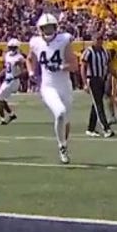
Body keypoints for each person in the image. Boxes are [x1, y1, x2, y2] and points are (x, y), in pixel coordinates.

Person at [27, 12, 80, 164]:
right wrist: (31, 72)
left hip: (65, 86)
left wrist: (62, 66)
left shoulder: (64, 40)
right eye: (46, 28)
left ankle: (64, 144)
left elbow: (74, 65)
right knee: (60, 113)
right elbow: (30, 59)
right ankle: (61, 146)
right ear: (40, 29)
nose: (48, 31)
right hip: (48, 86)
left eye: (51, 27)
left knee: (66, 120)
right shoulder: (35, 42)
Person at [81, 32, 116, 138]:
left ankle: (90, 128)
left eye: (101, 39)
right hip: (92, 80)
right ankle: (106, 128)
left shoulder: (105, 52)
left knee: (96, 104)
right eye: (97, 39)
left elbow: (109, 66)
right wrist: (84, 83)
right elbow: (83, 67)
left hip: (102, 79)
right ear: (93, 40)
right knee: (99, 105)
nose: (100, 41)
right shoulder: (89, 52)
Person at [0, 39, 22, 125]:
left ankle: (3, 119)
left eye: (13, 47)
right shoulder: (8, 55)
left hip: (13, 81)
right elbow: (6, 68)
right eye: (10, 47)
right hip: (8, 80)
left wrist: (16, 75)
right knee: (1, 99)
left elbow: (23, 70)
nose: (12, 49)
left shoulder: (19, 58)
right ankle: (11, 115)